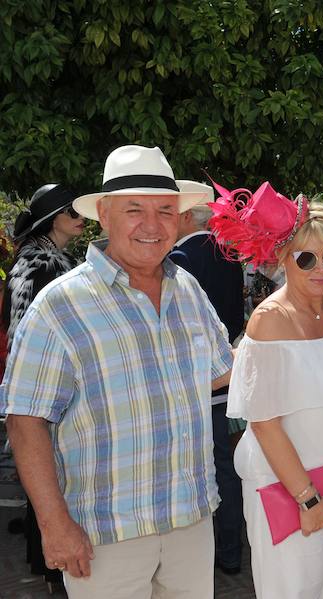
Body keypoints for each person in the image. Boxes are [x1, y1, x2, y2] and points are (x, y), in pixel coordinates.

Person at [0, 145, 233, 598]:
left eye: (166, 210)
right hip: (105, 535)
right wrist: (54, 525)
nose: (153, 225)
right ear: (103, 215)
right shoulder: (59, 306)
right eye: (134, 210)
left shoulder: (187, 289)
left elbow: (219, 372)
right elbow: (25, 419)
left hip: (192, 520)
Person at [208, 180, 323, 598]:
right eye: (306, 257)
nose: (321, 268)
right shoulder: (270, 321)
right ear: (283, 257)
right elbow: (263, 422)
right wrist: (308, 499)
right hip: (289, 493)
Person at [1, 183, 84, 592]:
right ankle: (53, 568)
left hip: (60, 387)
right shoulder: (34, 264)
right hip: (47, 392)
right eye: (73, 210)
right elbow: (22, 337)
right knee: (47, 476)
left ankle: (51, 565)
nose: (81, 216)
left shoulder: (57, 259)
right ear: (53, 218)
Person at [169, 192, 246, 575]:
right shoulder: (228, 256)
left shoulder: (180, 262)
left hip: (195, 383)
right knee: (226, 466)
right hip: (227, 374)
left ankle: (213, 550)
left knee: (203, 466)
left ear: (185, 218)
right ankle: (230, 550)